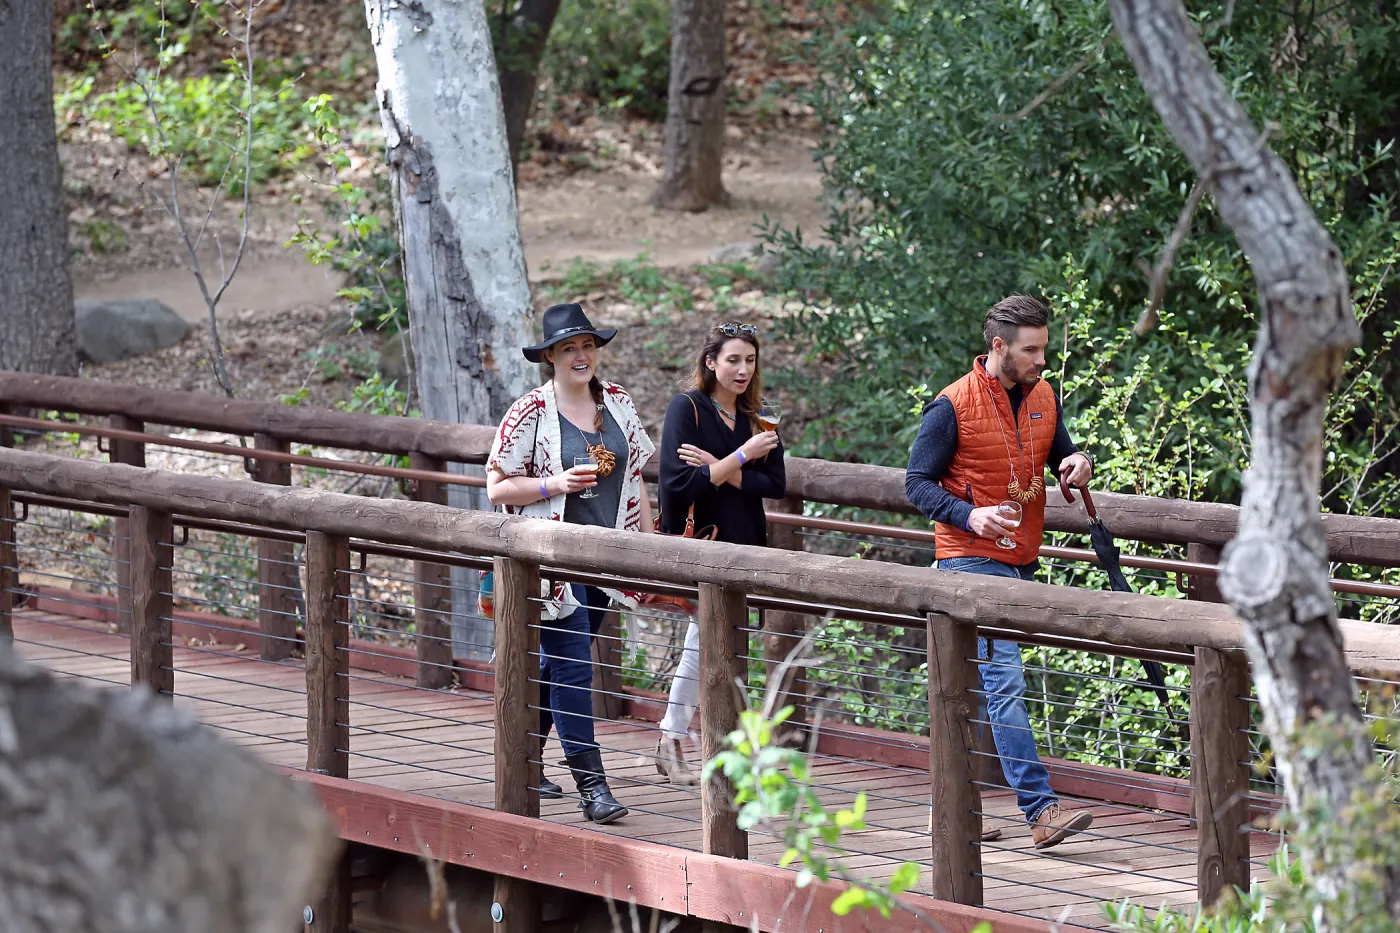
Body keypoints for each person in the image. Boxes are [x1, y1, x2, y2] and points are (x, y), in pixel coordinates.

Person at [905, 294, 1096, 850]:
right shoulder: (951, 405)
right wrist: (970, 515)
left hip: (1021, 560)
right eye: (1031, 350)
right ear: (998, 347)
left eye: (1043, 348)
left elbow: (1064, 452)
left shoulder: (1042, 395)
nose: (1042, 360)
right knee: (1004, 685)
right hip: (966, 562)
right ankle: (1041, 812)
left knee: (966, 690)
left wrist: (1078, 462)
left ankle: (954, 808)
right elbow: (915, 483)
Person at [486, 302, 656, 824]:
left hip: (607, 558)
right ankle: (593, 787)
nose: (580, 356)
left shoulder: (618, 402)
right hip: (552, 561)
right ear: (550, 358)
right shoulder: (530, 412)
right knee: (575, 667)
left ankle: (525, 759)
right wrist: (554, 484)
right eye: (568, 349)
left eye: (587, 346)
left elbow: (638, 476)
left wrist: (653, 548)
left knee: (557, 664)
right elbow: (496, 486)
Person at [653, 322, 784, 782]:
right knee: (707, 641)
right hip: (702, 544)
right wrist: (742, 457)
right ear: (710, 362)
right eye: (733, 359)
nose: (743, 369)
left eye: (750, 360)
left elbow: (777, 484)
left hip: (746, 541)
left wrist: (721, 469)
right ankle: (695, 742)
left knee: (716, 644)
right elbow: (675, 484)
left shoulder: (759, 416)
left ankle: (690, 742)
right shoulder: (685, 409)